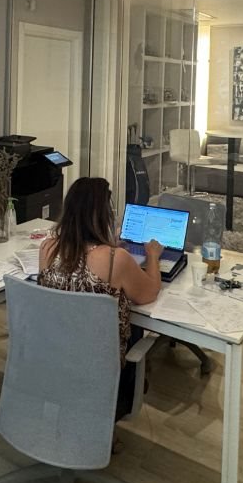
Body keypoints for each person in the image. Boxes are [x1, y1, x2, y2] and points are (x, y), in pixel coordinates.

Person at [38, 176, 162, 423]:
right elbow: (149, 292)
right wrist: (153, 256)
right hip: (99, 373)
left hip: (55, 359)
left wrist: (107, 245)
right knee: (136, 327)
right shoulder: (116, 258)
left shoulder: (48, 248)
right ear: (103, 216)